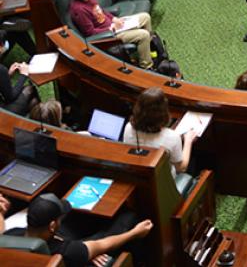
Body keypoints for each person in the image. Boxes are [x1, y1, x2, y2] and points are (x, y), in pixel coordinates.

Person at [2, 192, 153, 267]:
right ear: (52, 226)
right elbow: (102, 245)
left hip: (72, 246)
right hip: (76, 254)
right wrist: (135, 233)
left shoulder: (12, 234)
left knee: (74, 221)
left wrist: (86, 250)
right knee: (128, 217)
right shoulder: (66, 253)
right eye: (59, 218)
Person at [68, 0, 154, 69]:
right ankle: (146, 66)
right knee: (143, 35)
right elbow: (90, 33)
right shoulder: (79, 11)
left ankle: (147, 51)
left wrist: (114, 19)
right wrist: (111, 28)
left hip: (114, 25)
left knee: (145, 17)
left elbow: (101, 11)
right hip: (110, 35)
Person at [122, 88, 197, 178]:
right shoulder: (172, 137)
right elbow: (181, 168)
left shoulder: (128, 127)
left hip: (141, 177)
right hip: (164, 185)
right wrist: (188, 141)